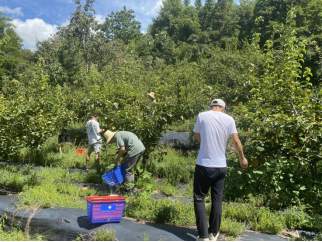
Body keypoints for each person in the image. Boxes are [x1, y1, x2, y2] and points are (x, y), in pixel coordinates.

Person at [193, 99, 248, 241]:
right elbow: (236, 141)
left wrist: (206, 142)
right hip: (220, 166)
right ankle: (213, 233)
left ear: (211, 107)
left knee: (199, 198)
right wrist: (242, 158)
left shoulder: (202, 115)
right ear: (223, 108)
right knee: (216, 199)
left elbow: (197, 136)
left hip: (204, 165)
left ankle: (203, 236)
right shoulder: (229, 119)